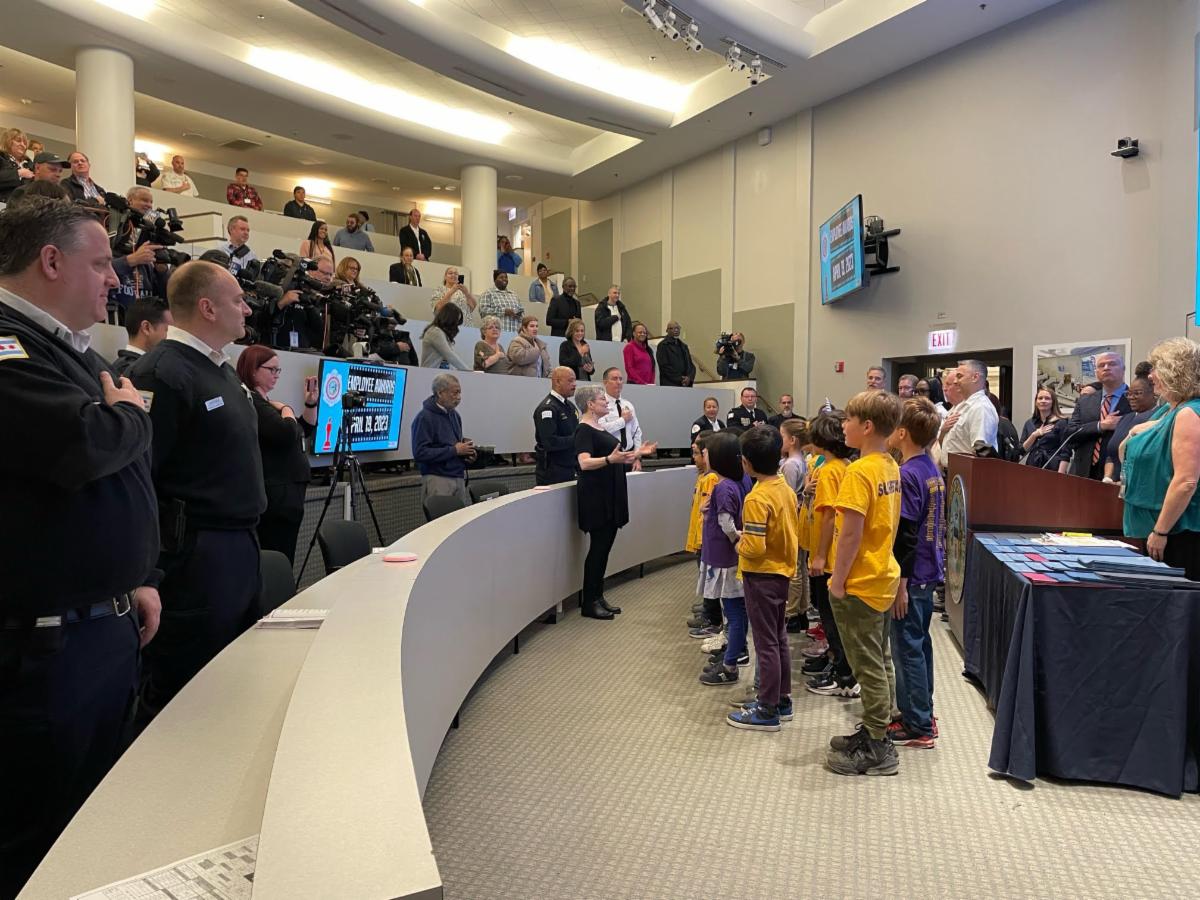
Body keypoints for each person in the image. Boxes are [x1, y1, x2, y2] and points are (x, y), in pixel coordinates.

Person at [0, 200, 161, 897]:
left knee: (88, 822)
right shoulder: (7, 344)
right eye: (100, 264)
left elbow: (113, 471)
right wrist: (129, 414)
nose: (115, 279)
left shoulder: (70, 351)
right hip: (44, 650)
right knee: (38, 838)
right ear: (50, 261)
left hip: (101, 628)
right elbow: (81, 446)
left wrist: (137, 580)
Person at [128, 261, 264, 722]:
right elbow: (140, 478)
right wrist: (147, 574)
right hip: (195, 555)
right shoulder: (162, 372)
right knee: (186, 687)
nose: (247, 308)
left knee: (232, 676)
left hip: (238, 546)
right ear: (207, 308)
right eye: (237, 300)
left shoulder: (222, 371)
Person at [823, 390, 903, 775]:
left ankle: (877, 745)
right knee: (880, 658)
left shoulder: (858, 472)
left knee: (867, 665)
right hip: (883, 575)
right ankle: (879, 728)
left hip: (860, 582)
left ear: (867, 426)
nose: (843, 425)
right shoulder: (889, 464)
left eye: (849, 420)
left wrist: (837, 581)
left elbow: (851, 534)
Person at [726, 427, 800, 732]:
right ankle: (782, 698)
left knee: (765, 642)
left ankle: (767, 708)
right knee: (778, 637)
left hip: (762, 576)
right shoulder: (784, 488)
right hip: (781, 572)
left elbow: (754, 547)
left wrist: (737, 542)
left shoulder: (756, 498)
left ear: (746, 462)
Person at [884, 397, 945, 750]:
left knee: (907, 647)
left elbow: (905, 535)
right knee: (920, 644)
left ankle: (917, 723)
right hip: (928, 567)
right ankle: (922, 711)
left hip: (913, 574)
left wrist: (900, 586)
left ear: (903, 433)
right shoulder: (929, 467)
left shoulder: (907, 474)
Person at [573, 384, 655, 619]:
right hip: (597, 497)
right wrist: (609, 459)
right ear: (590, 404)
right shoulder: (584, 430)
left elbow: (617, 457)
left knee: (604, 549)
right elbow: (584, 462)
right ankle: (590, 601)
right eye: (602, 399)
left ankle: (598, 596)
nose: (606, 402)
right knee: (598, 550)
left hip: (609, 493)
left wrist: (638, 453)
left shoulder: (598, 427)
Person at [1121, 338, 1200, 579]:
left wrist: (1160, 531)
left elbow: (1186, 481)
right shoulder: (1168, 410)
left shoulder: (1189, 412)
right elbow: (1126, 452)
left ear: (1174, 371)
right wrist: (1134, 432)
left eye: (1156, 368)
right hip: (1157, 531)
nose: (1151, 375)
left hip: (1178, 533)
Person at [236, 346, 317, 564]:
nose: (276, 375)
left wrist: (310, 403)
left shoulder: (267, 403)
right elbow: (287, 433)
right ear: (253, 370)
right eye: (271, 369)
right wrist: (286, 408)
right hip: (277, 496)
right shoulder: (253, 402)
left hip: (288, 494)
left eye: (278, 370)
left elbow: (302, 430)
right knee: (277, 556)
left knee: (284, 554)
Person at [804, 411, 858, 698]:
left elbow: (827, 516)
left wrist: (820, 556)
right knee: (835, 616)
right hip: (838, 554)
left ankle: (844, 675)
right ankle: (838, 662)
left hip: (829, 556)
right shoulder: (845, 465)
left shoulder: (828, 471)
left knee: (830, 616)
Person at [697, 432, 754, 683]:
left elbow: (726, 522)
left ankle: (731, 662)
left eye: (706, 452)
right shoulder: (740, 480)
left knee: (733, 611)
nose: (703, 455)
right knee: (735, 610)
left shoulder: (723, 487)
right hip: (730, 558)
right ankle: (733, 651)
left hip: (725, 559)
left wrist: (735, 539)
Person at [1059, 352, 1131, 479]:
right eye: (1101, 365)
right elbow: (1069, 434)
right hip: (1082, 472)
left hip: (1118, 474)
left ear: (1123, 369)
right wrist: (1100, 426)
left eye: (1112, 364)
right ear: (1097, 372)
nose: (1106, 368)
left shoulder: (1135, 399)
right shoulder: (1085, 400)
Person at [411, 373, 475, 507]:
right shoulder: (424, 418)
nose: (459, 397)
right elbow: (420, 453)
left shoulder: (455, 415)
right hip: (437, 479)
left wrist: (466, 453)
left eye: (460, 392)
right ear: (440, 393)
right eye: (455, 393)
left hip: (458, 477)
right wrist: (455, 450)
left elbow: (454, 446)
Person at [935, 359, 998, 468]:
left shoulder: (981, 407)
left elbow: (981, 452)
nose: (955, 381)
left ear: (975, 377)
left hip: (967, 473)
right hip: (954, 472)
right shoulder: (962, 406)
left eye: (959, 376)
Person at [780, 418, 810, 632]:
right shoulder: (800, 461)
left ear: (792, 440)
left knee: (795, 568)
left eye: (782, 436)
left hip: (794, 517)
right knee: (800, 566)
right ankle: (801, 610)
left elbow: (788, 496)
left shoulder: (791, 464)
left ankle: (791, 613)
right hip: (800, 515)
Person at [1104, 375, 1157, 483]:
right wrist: (1107, 478)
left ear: (1153, 393)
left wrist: (1124, 483)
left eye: (1137, 393)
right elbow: (1111, 454)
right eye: (1128, 394)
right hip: (1114, 484)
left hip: (1139, 484)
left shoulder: (1158, 418)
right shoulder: (1125, 418)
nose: (1131, 397)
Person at [534, 366, 580, 485]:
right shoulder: (548, 408)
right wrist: (577, 439)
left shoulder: (570, 406)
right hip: (553, 472)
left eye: (575, 380)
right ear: (557, 382)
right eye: (570, 380)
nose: (574, 384)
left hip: (570, 466)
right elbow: (550, 442)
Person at [598, 367, 645, 470]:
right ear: (605, 382)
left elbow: (637, 432)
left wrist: (637, 458)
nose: (618, 382)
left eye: (620, 379)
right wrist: (622, 420)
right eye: (614, 379)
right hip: (608, 458)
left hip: (629, 457)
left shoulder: (628, 405)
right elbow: (600, 431)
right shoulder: (600, 404)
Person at [112, 297, 172, 376]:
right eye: (168, 330)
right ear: (146, 328)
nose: (172, 337)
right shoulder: (134, 372)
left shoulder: (124, 367)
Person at [1019, 388, 1070, 470]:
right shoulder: (1029, 423)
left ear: (1053, 402)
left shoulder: (1061, 422)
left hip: (1053, 468)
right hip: (1032, 467)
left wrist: (1060, 475)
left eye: (1047, 398)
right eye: (1040, 398)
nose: (1043, 401)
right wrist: (1034, 435)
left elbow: (1065, 453)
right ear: (1036, 402)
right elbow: (1022, 451)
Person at [420, 302, 471, 370]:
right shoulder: (435, 332)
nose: (456, 325)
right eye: (455, 321)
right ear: (449, 319)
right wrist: (469, 371)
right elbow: (449, 356)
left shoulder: (442, 334)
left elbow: (448, 360)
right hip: (430, 373)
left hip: (437, 373)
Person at [656, 320, 695, 387]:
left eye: (677, 328)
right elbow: (664, 367)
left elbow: (691, 366)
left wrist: (689, 377)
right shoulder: (662, 345)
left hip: (685, 385)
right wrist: (680, 379)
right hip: (670, 384)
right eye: (672, 328)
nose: (676, 330)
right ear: (667, 330)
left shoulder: (684, 346)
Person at [0, 128, 34, 202]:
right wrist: (18, 174)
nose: (22, 145)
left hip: (23, 206)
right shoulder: (1, 158)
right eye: (18, 141)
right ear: (8, 141)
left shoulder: (30, 165)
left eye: (25, 143)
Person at [623, 320, 656, 385]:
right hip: (635, 385)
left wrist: (651, 383)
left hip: (648, 386)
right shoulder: (629, 347)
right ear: (633, 333)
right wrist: (642, 383)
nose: (642, 334)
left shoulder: (648, 349)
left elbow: (652, 369)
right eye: (640, 332)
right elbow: (629, 368)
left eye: (644, 333)